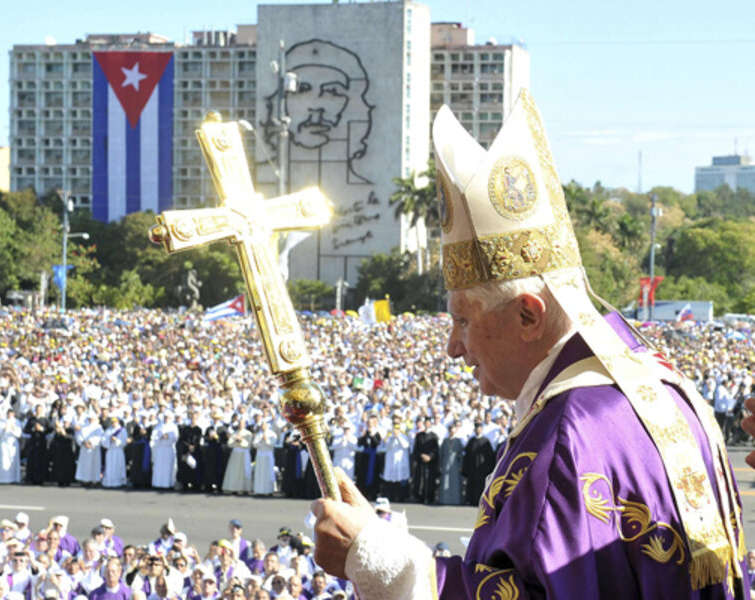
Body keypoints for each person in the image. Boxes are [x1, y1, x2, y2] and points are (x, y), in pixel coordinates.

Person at [309, 90, 747, 599]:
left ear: (527, 315)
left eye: (463, 320)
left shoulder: (569, 430)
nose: (454, 346)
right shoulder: (664, 382)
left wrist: (379, 560)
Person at [460, 421, 495, 506]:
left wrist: (489, 468)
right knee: (471, 483)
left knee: (481, 485)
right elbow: (467, 455)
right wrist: (465, 467)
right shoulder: (471, 441)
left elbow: (490, 457)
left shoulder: (486, 442)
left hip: (482, 469)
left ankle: (480, 501)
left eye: (479, 428)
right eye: (476, 428)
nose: (477, 429)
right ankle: (471, 500)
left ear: (482, 429)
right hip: (472, 468)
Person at [410, 416, 439, 504]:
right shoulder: (419, 436)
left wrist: (430, 457)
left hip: (430, 462)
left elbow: (436, 450)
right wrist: (422, 455)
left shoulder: (434, 436)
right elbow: (416, 449)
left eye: (428, 423)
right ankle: (420, 496)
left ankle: (430, 497)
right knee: (420, 479)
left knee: (430, 479)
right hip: (421, 460)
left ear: (431, 424)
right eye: (425, 423)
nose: (427, 424)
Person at [437, 422, 464, 506]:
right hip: (445, 463)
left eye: (453, 431)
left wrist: (460, 465)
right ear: (449, 431)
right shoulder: (445, 441)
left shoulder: (458, 441)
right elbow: (441, 454)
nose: (452, 432)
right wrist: (440, 465)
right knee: (445, 481)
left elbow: (461, 454)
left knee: (455, 483)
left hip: (455, 464)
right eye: (451, 431)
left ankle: (455, 501)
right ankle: (444, 500)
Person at [0, 409, 21, 484]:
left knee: (12, 460)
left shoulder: (16, 422)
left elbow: (19, 434)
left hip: (12, 443)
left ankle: (13, 478)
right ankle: (2, 478)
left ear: (13, 414)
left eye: (11, 413)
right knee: (3, 460)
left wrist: (13, 429)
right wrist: (3, 429)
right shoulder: (2, 421)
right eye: (9, 413)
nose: (10, 415)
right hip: (4, 443)